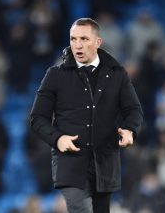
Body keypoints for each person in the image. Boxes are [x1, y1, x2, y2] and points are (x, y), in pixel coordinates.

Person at [30, 18, 143, 213]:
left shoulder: (117, 74)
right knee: (80, 208)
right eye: (73, 39)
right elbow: (37, 118)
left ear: (98, 42)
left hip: (105, 163)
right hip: (70, 163)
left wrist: (130, 130)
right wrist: (57, 139)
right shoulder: (55, 75)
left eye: (84, 38)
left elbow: (134, 110)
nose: (78, 45)